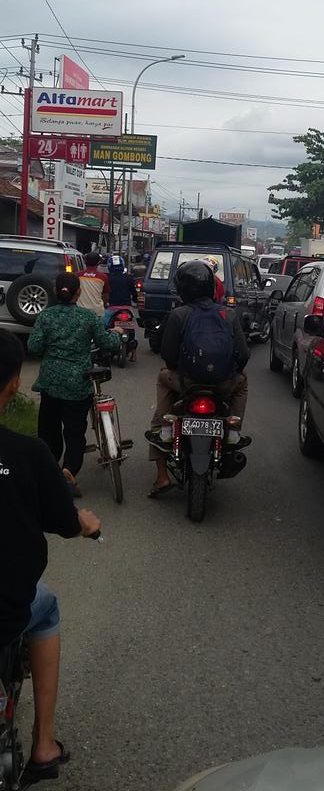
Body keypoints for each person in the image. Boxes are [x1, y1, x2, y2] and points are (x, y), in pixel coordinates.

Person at [0, 330, 101, 783]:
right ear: (13, 385)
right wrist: (83, 521)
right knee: (47, 607)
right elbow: (64, 520)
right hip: (5, 610)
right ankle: (43, 745)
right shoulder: (28, 454)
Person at [144, 260, 250, 497]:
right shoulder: (228, 314)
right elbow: (243, 355)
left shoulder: (178, 314)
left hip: (187, 384)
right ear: (212, 287)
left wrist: (180, 372)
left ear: (182, 289)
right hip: (223, 384)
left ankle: (165, 437)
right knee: (243, 383)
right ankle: (233, 430)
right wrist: (231, 373)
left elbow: (168, 356)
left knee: (163, 379)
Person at [28, 273, 121, 495]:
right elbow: (108, 343)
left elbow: (33, 346)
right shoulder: (87, 317)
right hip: (78, 385)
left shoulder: (46, 316)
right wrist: (117, 334)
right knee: (74, 432)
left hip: (50, 383)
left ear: (55, 291)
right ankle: (69, 471)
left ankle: (49, 473)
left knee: (49, 431)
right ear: (78, 293)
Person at [77, 250, 110, 316]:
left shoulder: (78, 275)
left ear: (85, 262)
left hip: (80, 312)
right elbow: (105, 296)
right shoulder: (103, 277)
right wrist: (104, 305)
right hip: (97, 312)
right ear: (98, 263)